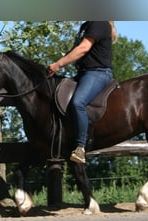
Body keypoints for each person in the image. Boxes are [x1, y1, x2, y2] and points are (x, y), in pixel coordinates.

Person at [48, 21, 118, 164]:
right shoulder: (85, 26)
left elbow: (83, 48)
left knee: (78, 102)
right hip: (83, 73)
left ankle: (80, 147)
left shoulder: (99, 22)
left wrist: (59, 64)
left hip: (98, 73)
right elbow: (75, 50)